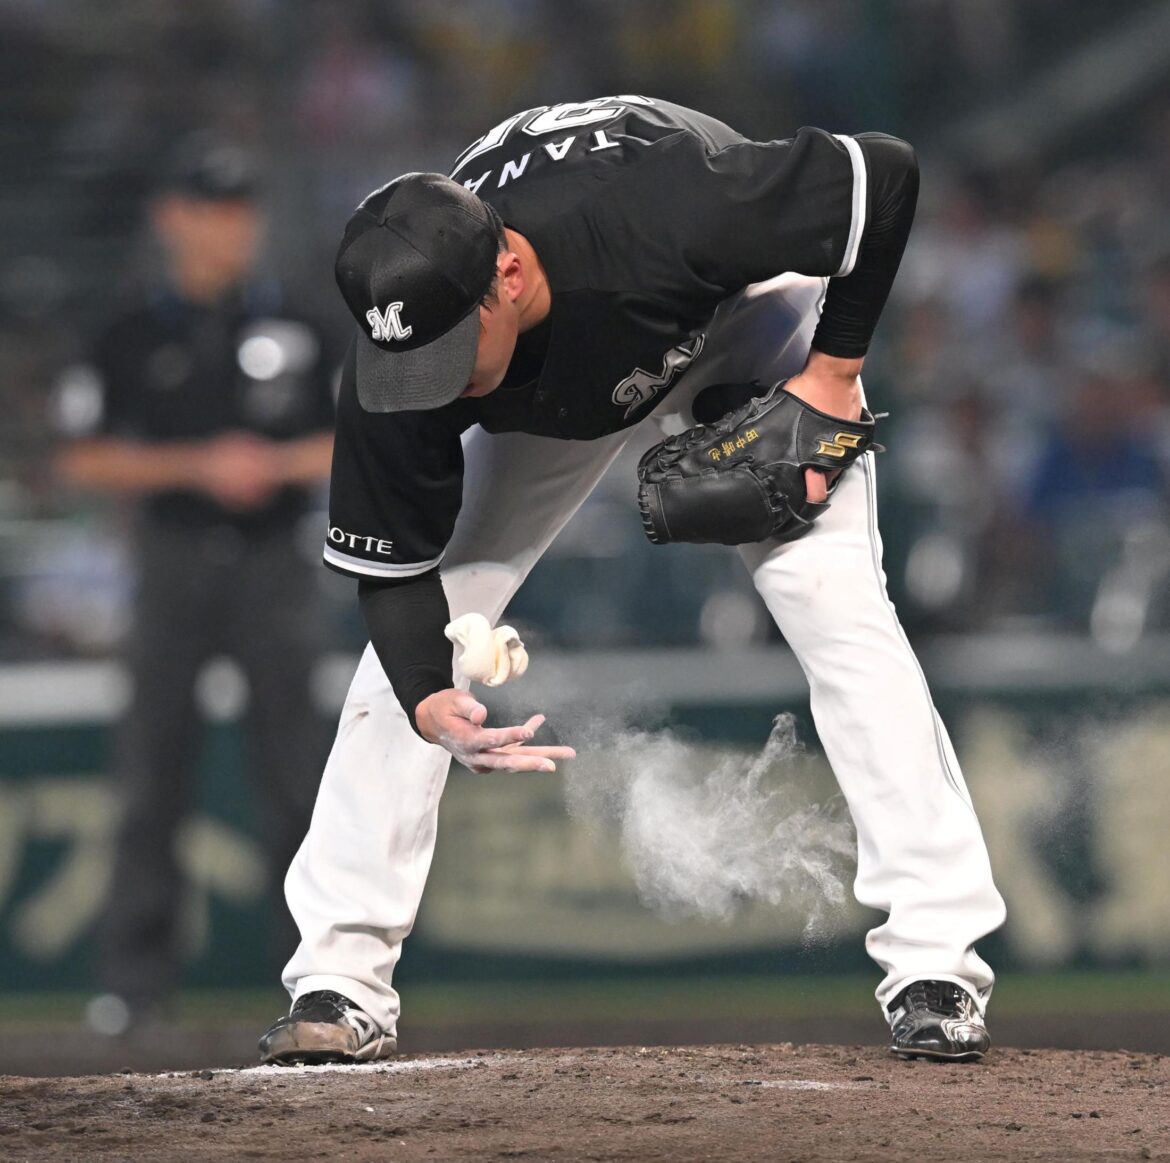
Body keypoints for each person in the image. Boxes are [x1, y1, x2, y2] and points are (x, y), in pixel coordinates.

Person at [258, 96, 1006, 1065]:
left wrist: (831, 374)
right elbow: (395, 578)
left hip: (739, 315)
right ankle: (337, 977)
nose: (429, 383)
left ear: (510, 275)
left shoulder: (672, 208)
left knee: (838, 611)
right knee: (400, 672)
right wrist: (429, 692)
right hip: (557, 392)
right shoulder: (402, 353)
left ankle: (936, 958)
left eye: (448, 353)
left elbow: (886, 171)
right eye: (412, 365)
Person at [54, 134, 337, 1031]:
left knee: (296, 774)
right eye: (213, 209)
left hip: (273, 562)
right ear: (170, 218)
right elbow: (81, 458)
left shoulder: (300, 321)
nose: (231, 228)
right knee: (151, 772)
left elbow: (361, 437)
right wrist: (196, 466)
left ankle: (319, 975)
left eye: (242, 209)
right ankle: (133, 985)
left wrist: (273, 463)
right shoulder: (129, 330)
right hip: (172, 565)